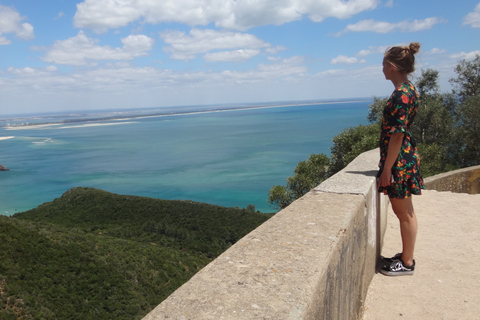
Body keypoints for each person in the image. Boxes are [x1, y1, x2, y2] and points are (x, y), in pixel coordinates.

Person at [377, 42, 425, 276]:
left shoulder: (400, 95)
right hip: (405, 157)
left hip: (399, 161)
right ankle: (406, 257)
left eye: (384, 63)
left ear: (393, 66)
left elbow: (397, 134)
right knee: (406, 212)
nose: (382, 68)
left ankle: (406, 263)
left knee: (403, 213)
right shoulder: (409, 89)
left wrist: (387, 169)